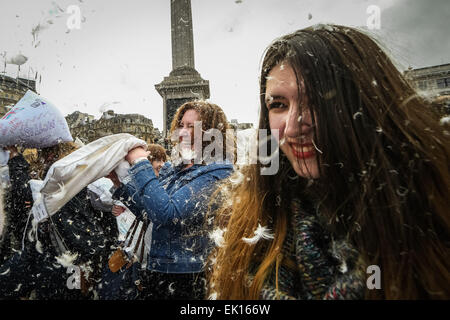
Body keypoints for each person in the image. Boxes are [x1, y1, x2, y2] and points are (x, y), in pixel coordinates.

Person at [208, 24, 450, 300]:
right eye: (278, 105)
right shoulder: (250, 223)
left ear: (367, 105)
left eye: (319, 101)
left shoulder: (430, 224)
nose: (293, 127)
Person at [124, 101, 234, 299]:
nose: (182, 132)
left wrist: (141, 163)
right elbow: (149, 211)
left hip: (187, 278)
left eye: (191, 126)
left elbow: (168, 215)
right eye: (181, 125)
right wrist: (119, 185)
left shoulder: (217, 171)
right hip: (160, 269)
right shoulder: (176, 169)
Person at [0, 142, 114, 299]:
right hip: (75, 261)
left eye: (47, 155)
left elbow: (23, 192)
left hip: (58, 261)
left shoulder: (58, 184)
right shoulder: (84, 185)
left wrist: (15, 157)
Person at [97, 143, 168, 300]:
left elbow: (152, 213)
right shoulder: (141, 185)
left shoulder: (162, 188)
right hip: (135, 253)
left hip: (149, 258)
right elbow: (141, 207)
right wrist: (118, 185)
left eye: (159, 169)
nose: (157, 174)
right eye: (154, 168)